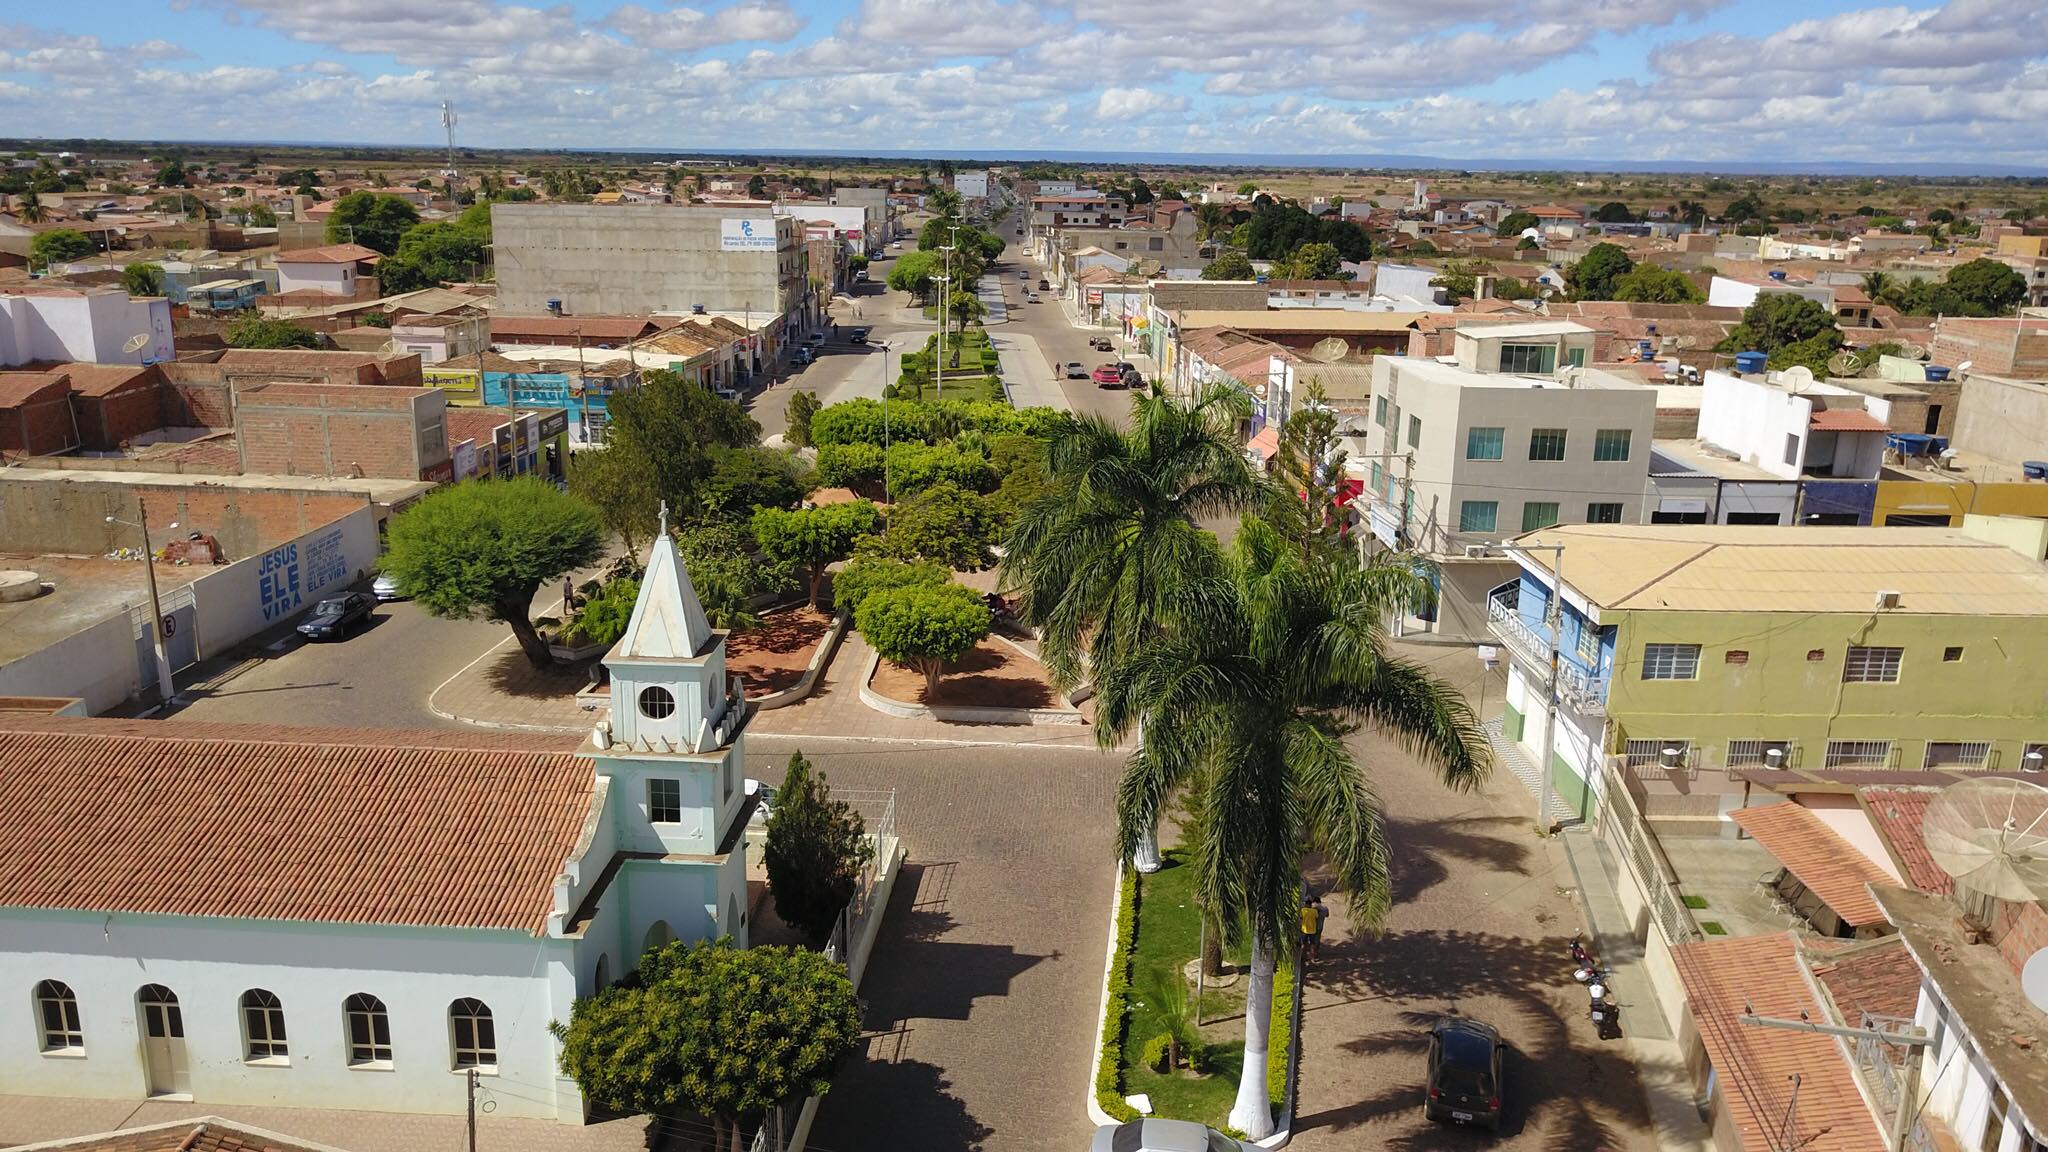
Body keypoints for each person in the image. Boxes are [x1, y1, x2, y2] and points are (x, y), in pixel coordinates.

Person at [1299, 896, 1324, 962]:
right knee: (1312, 945)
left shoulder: (1303, 910)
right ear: (1310, 904)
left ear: (1306, 903)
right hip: (1312, 930)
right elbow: (1317, 918)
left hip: (1304, 930)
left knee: (1304, 944)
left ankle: (1303, 957)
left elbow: (1301, 918)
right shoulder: (1314, 911)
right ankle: (1312, 958)